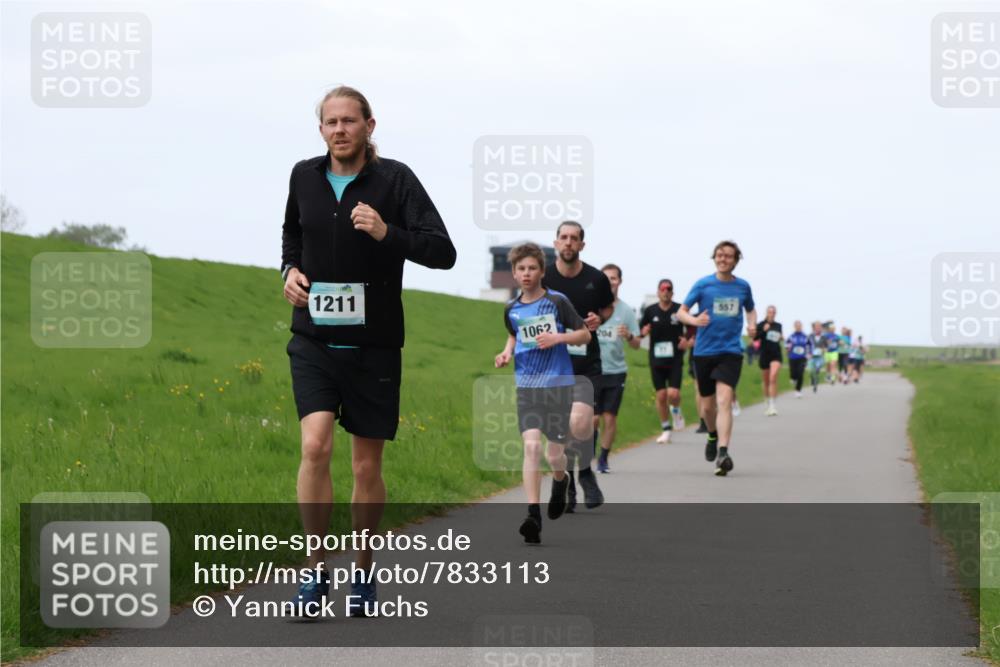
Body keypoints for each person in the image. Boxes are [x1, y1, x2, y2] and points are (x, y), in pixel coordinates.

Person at [281, 86, 456, 617]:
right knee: (314, 447)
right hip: (313, 339)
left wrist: (387, 233)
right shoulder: (303, 176)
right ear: (321, 129)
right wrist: (289, 271)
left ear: (369, 126)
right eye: (330, 122)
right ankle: (315, 571)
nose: (340, 130)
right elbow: (292, 233)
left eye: (349, 121)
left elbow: (443, 252)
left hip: (374, 345)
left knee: (364, 467)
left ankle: (362, 570)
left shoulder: (395, 180)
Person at [495, 243, 587, 544]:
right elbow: (514, 334)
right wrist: (506, 353)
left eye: (532, 268)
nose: (526, 273)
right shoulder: (511, 308)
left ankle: (561, 479)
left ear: (542, 271)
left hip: (558, 386)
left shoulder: (557, 301)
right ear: (513, 273)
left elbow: (584, 334)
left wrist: (557, 338)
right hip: (527, 386)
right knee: (532, 447)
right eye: (521, 269)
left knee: (554, 455)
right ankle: (533, 514)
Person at [542, 221, 612, 511]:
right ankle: (568, 482)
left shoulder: (596, 278)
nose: (568, 242)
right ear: (556, 242)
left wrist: (600, 319)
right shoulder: (544, 277)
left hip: (587, 362)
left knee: (582, 422)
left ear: (582, 245)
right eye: (564, 237)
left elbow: (608, 307)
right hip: (553, 365)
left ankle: (584, 472)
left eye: (574, 238)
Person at [678, 240, 756, 477]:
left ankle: (723, 452)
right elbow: (681, 312)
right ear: (714, 258)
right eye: (720, 255)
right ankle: (712, 435)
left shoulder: (743, 287)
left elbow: (750, 309)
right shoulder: (703, 284)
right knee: (707, 406)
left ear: (736, 260)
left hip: (731, 351)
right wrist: (695, 320)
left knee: (725, 400)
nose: (723, 259)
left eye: (728, 256)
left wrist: (752, 325)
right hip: (704, 352)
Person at [594, 264, 641, 472]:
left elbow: (637, 344)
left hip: (616, 371)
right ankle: (589, 447)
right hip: (593, 370)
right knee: (592, 419)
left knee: (609, 417)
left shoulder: (626, 311)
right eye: (606, 278)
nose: (610, 282)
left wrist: (628, 336)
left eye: (613, 278)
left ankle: (603, 458)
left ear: (619, 281)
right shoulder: (591, 306)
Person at [638, 279, 693, 444]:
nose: (666, 292)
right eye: (663, 289)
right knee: (661, 395)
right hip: (656, 359)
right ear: (658, 292)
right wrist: (643, 331)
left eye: (669, 290)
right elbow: (640, 330)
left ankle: (676, 410)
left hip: (675, 358)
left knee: (673, 394)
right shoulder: (650, 311)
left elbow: (692, 327)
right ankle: (666, 429)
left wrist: (687, 340)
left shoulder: (679, 309)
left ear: (672, 293)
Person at [755, 305, 784, 415]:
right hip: (764, 355)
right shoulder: (761, 324)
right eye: (770, 312)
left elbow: (779, 337)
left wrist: (781, 337)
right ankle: (767, 401)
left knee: (773, 378)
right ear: (766, 313)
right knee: (766, 381)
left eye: (773, 312)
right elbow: (755, 338)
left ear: (775, 313)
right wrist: (763, 330)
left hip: (776, 354)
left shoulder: (778, 325)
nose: (771, 314)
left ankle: (772, 405)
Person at [785, 320, 811, 398]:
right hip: (792, 357)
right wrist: (787, 348)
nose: (798, 327)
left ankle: (798, 391)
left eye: (799, 326)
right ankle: (793, 378)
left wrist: (809, 354)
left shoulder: (805, 336)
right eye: (797, 326)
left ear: (801, 327)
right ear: (794, 327)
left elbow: (810, 345)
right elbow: (786, 344)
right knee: (793, 372)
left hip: (802, 357)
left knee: (800, 373)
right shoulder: (791, 336)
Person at [807, 321, 826, 393]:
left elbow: (826, 346)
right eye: (816, 327)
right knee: (811, 370)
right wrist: (808, 354)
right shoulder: (810, 336)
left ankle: (815, 383)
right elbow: (807, 345)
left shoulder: (823, 337)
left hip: (820, 356)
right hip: (812, 356)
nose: (818, 328)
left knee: (817, 369)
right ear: (814, 328)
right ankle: (813, 379)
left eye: (819, 327)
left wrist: (824, 349)